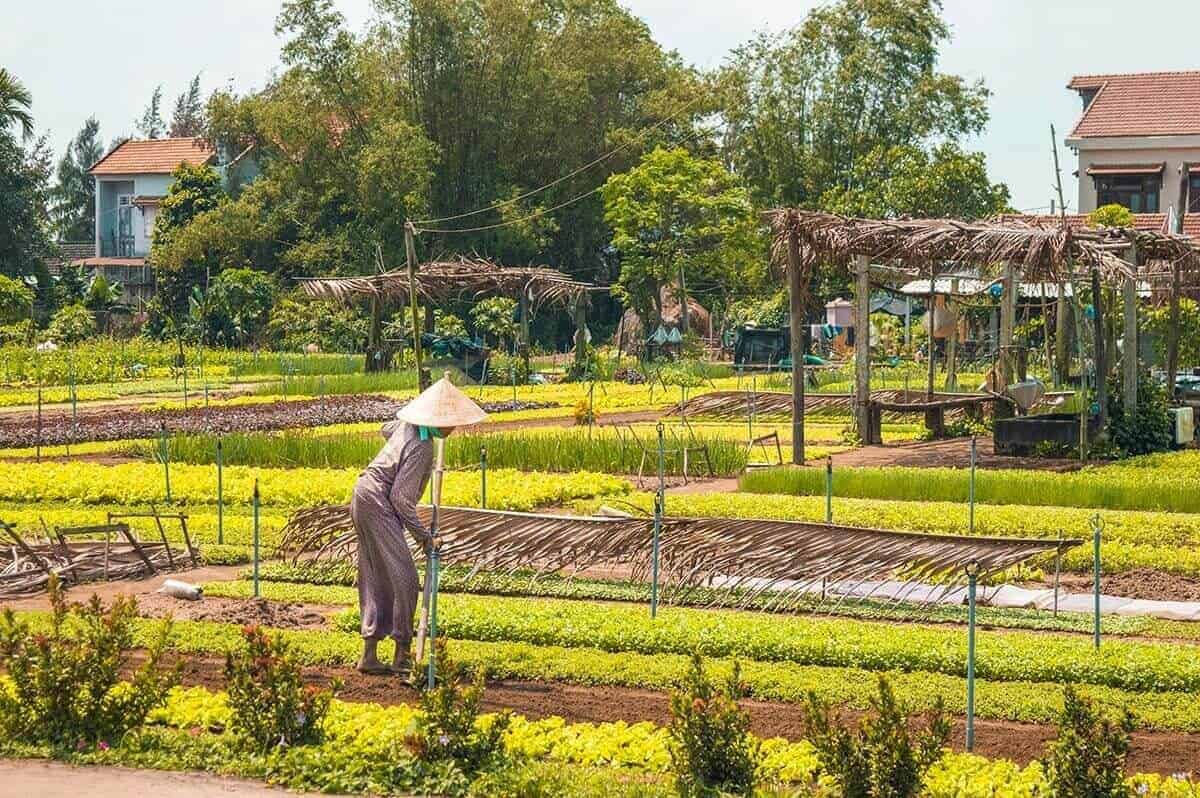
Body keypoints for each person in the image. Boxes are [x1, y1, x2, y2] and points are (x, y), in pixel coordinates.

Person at [349, 374, 487, 675]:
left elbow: (386, 428)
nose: (453, 427)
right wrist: (425, 538)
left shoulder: (407, 427)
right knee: (405, 578)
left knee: (375, 576)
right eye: (449, 420)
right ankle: (402, 652)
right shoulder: (423, 447)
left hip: (362, 494)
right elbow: (400, 499)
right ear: (436, 419)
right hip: (377, 502)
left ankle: (369, 655)